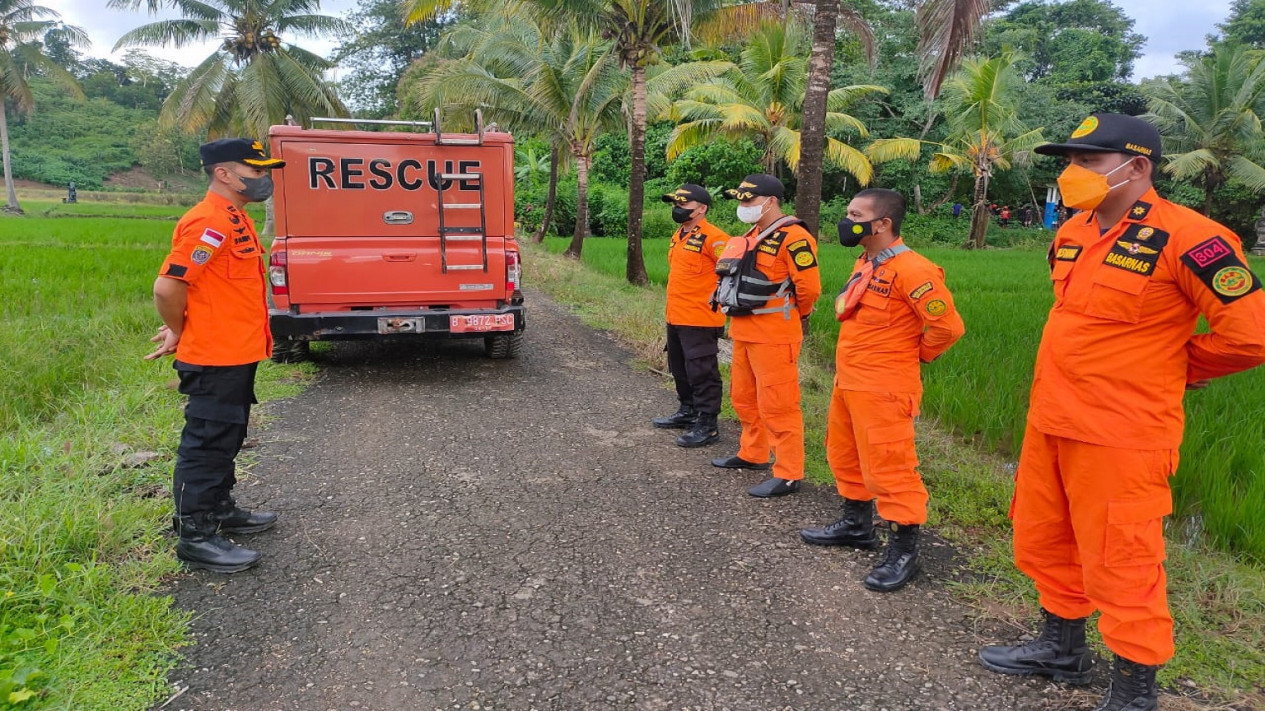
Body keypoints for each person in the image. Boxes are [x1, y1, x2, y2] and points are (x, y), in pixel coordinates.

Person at [978, 113, 1265, 710]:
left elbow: (1251, 334)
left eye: (1088, 161)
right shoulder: (1072, 231)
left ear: (1136, 166)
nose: (1072, 173)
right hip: (1051, 418)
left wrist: (1173, 365)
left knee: (1123, 560)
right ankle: (1062, 648)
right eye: (1071, 161)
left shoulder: (1192, 238)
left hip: (1121, 432)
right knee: (1047, 537)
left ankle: (1134, 690)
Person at [799, 189, 964, 592]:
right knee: (845, 455)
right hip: (849, 381)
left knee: (890, 468)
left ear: (883, 223)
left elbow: (947, 327)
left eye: (856, 215)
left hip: (885, 388)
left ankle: (904, 550)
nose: (847, 220)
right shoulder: (866, 262)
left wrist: (914, 356)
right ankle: (856, 525)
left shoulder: (914, 270)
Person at [145, 137, 286, 574]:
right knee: (206, 443)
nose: (264, 179)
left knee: (228, 435)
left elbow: (211, 288)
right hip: (214, 355)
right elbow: (168, 287)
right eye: (256, 171)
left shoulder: (234, 216)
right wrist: (181, 329)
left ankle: (220, 508)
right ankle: (195, 534)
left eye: (265, 171)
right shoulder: (208, 221)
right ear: (224, 173)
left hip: (237, 351)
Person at [710, 174, 822, 497]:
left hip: (774, 335)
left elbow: (809, 289)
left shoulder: (795, 238)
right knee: (744, 398)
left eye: (749, 200)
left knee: (778, 405)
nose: (743, 206)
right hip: (743, 331)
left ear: (771, 201)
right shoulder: (752, 235)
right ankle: (753, 453)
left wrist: (797, 315)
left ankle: (788, 473)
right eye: (741, 200)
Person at [652, 184, 730, 448]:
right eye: (676, 203)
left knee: (702, 372)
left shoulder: (716, 239)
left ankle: (708, 425)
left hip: (700, 318)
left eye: (683, 204)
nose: (677, 208)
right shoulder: (679, 234)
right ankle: (688, 411)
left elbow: (728, 276)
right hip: (676, 315)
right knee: (680, 367)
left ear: (702, 208)